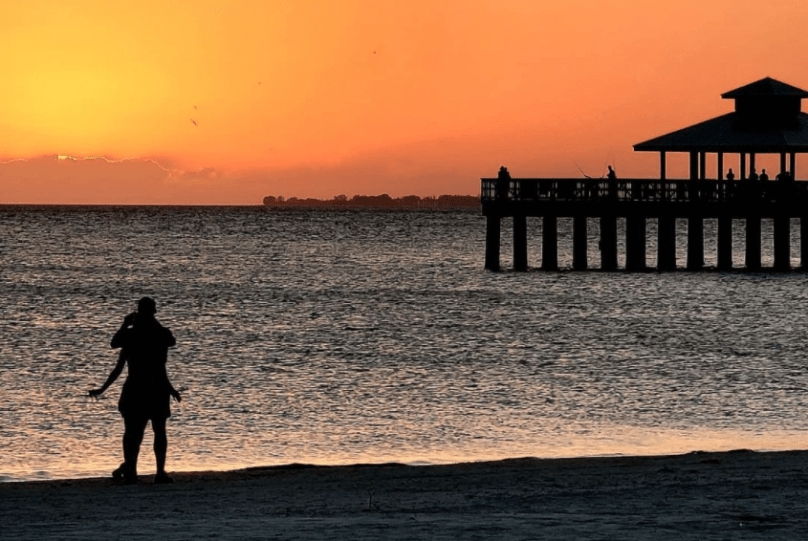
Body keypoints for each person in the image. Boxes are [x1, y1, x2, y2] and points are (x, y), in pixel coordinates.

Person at [89, 297, 180, 484]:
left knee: (133, 433)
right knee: (156, 431)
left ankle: (132, 470)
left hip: (137, 389)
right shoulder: (159, 334)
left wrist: (125, 324)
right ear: (153, 312)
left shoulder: (131, 337)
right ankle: (156, 472)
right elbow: (166, 351)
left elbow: (116, 354)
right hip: (155, 389)